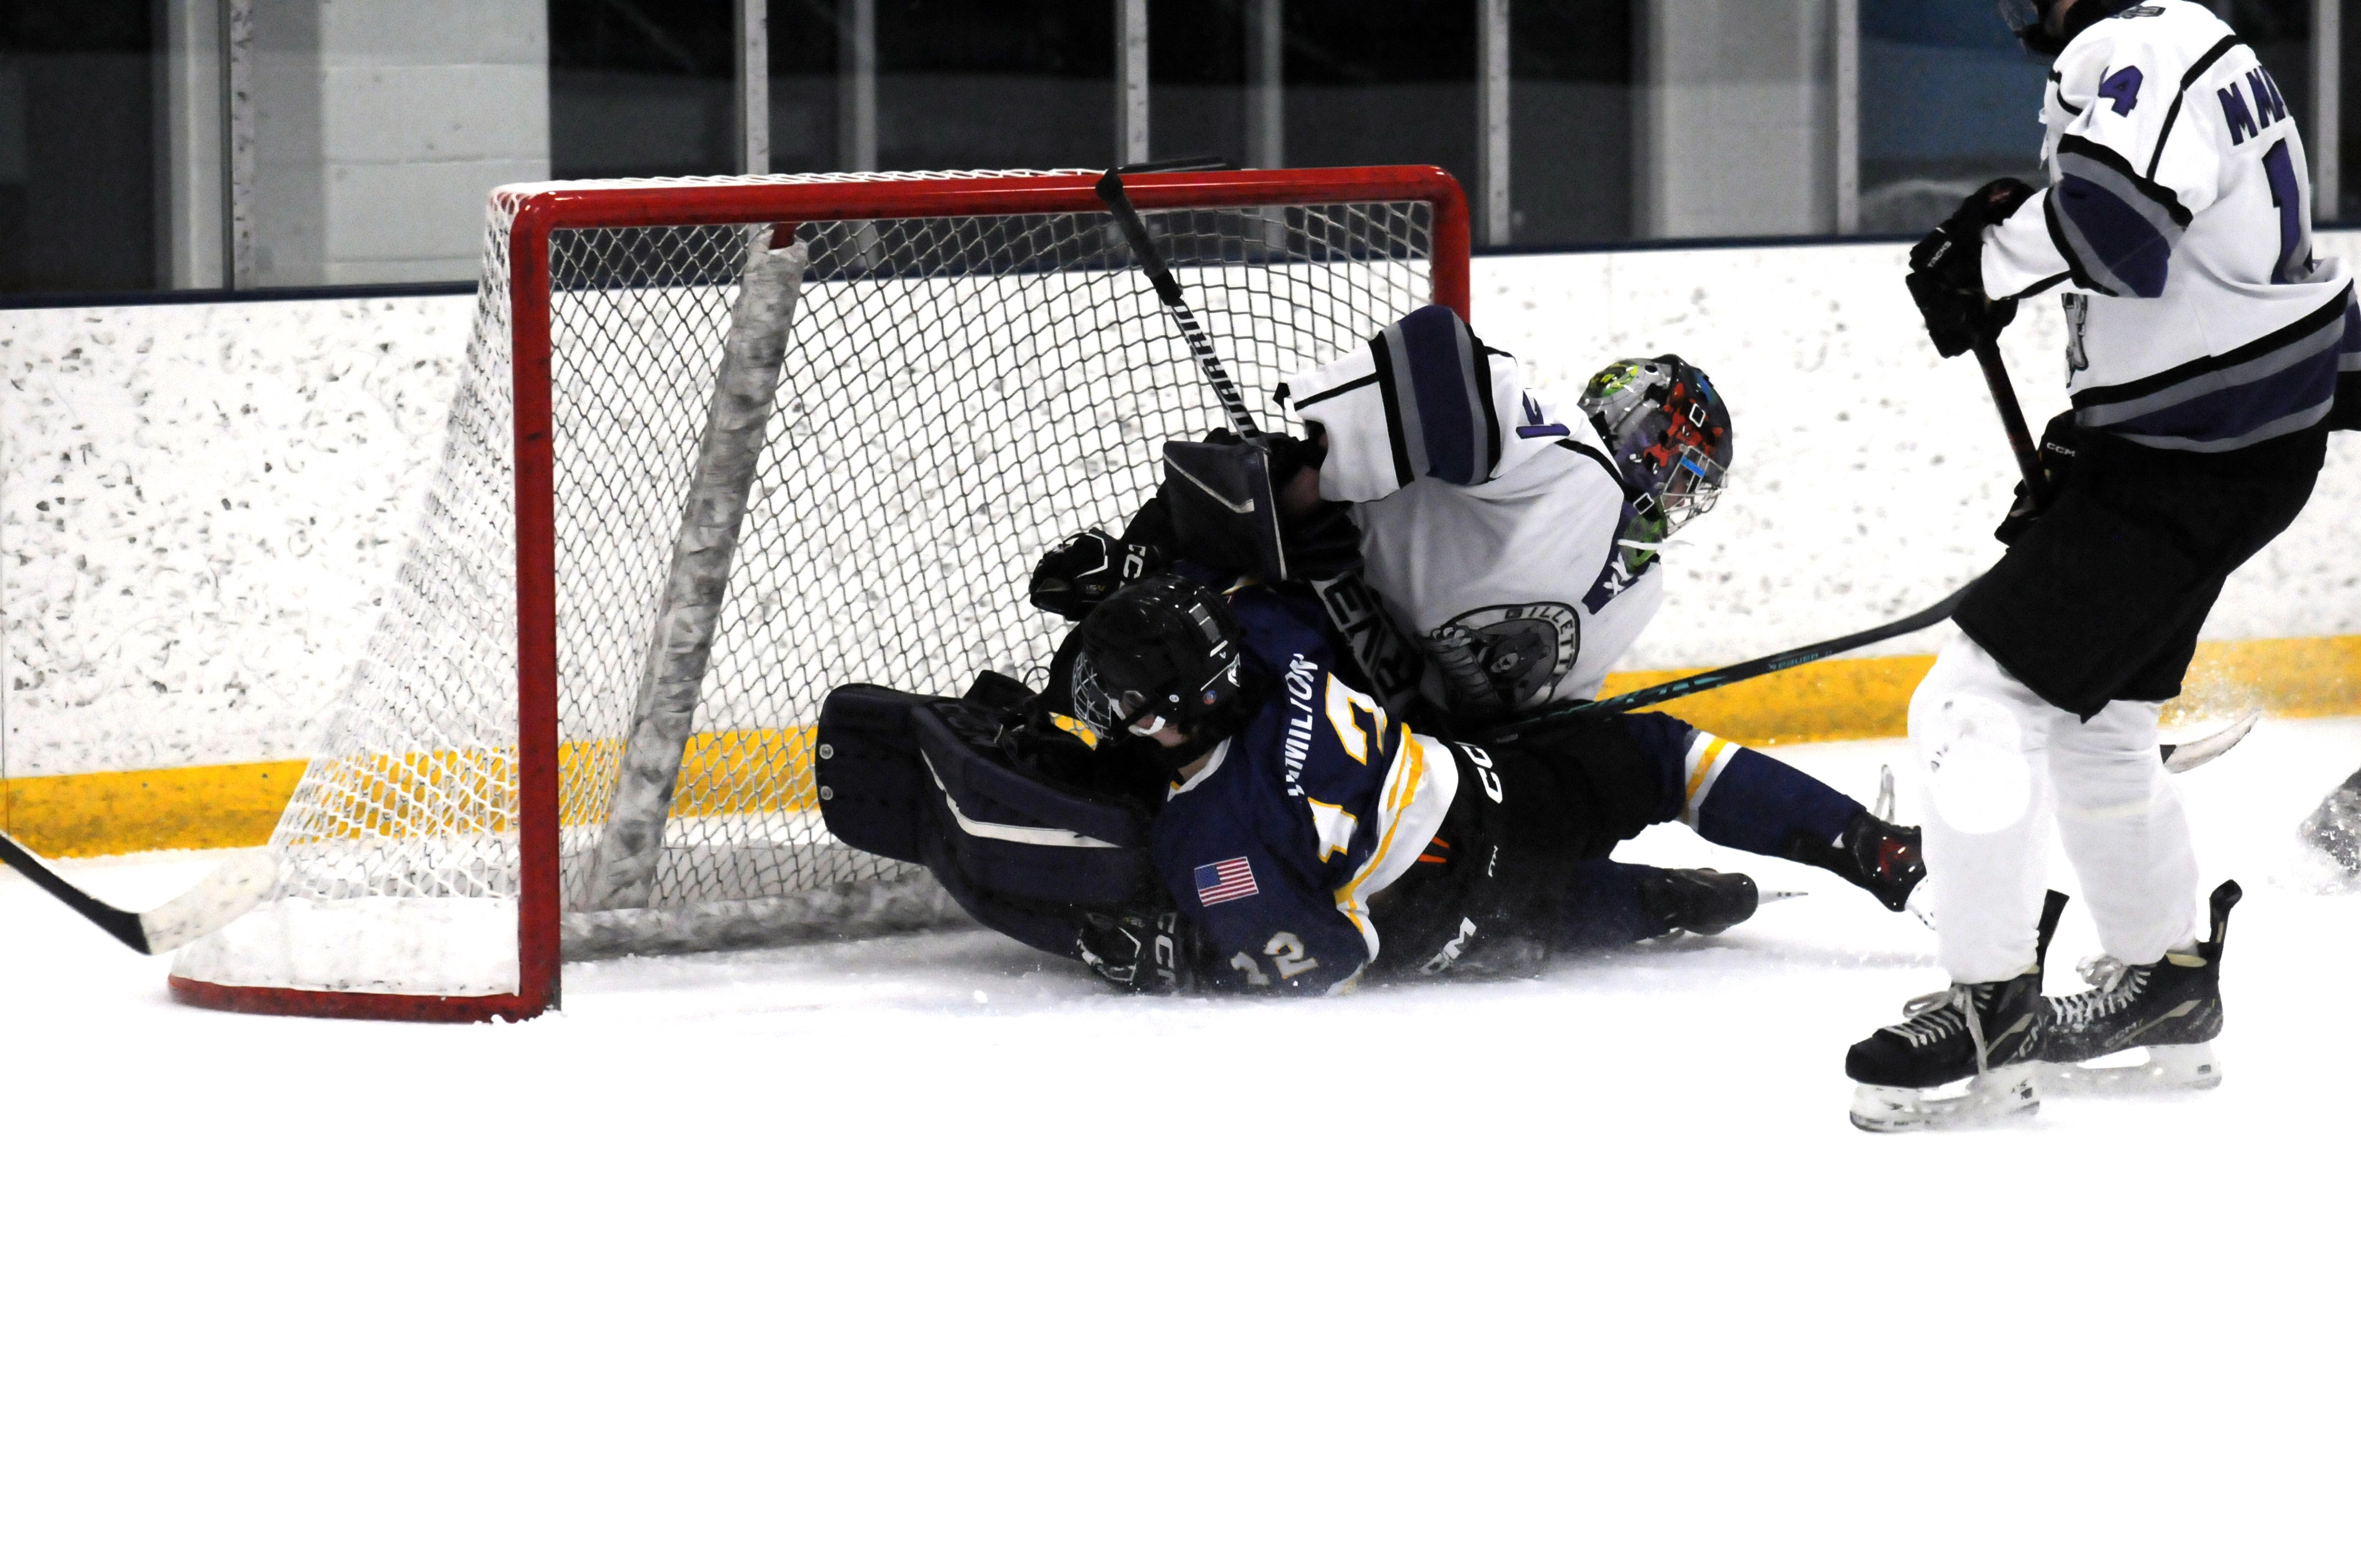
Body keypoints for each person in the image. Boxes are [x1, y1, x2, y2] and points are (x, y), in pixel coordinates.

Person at [1848, 0, 2356, 1131]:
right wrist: (2100, 432)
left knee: (1971, 704)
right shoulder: (2200, 38)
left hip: (2195, 453)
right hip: (2217, 443)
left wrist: (1985, 260)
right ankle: (2163, 982)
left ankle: (1987, 1010)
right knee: (2100, 725)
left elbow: (2119, 232)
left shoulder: (2130, 42)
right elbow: (2203, 258)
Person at [1029, 306, 1928, 923]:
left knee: (1515, 832)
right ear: (1635, 428)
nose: (1672, 491)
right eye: (1675, 461)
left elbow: (1516, 716)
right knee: (1496, 858)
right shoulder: (1571, 458)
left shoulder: (1637, 583)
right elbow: (1437, 359)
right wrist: (1309, 485)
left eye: (1690, 482)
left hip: (1384, 726)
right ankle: (1122, 604)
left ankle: (1675, 896)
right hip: (1303, 638)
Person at [1066, 570, 1819, 993]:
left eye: (1127, 699)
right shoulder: (1273, 636)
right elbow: (1240, 599)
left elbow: (1326, 962)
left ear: (1169, 709)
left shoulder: (1207, 838)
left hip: (1455, 916)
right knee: (1651, 764)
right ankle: (1708, 891)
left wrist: (1184, 959)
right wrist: (1142, 589)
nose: (1114, 709)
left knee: (1555, 912)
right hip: (1493, 796)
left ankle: (1680, 899)